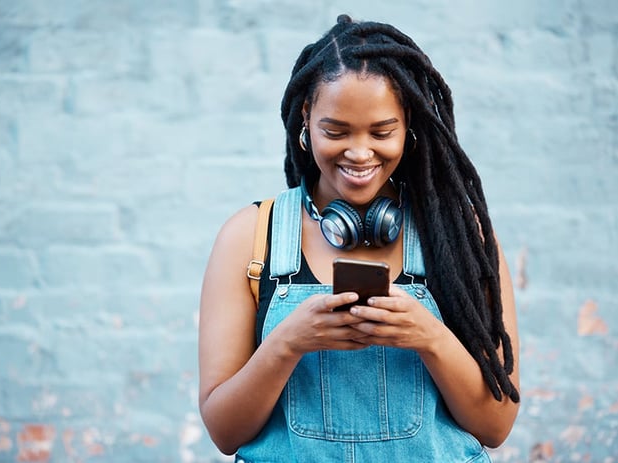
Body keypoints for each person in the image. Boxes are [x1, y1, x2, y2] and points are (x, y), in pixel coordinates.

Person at [198, 14, 520, 462]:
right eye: (336, 131)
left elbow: (496, 426)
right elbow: (225, 433)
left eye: (382, 132)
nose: (360, 152)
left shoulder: (461, 237)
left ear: (409, 125)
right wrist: (288, 343)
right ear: (306, 120)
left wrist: (429, 337)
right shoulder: (249, 237)